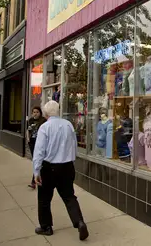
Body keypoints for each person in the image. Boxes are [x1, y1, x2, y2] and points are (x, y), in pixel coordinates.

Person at [32, 101, 89, 240]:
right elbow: (74, 145)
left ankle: (46, 227)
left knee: (44, 198)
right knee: (69, 196)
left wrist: (36, 171)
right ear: (58, 111)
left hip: (49, 167)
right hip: (67, 165)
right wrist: (71, 160)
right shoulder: (68, 124)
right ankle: (79, 222)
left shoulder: (44, 127)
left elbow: (39, 151)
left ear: (45, 114)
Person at [26, 106, 47, 189]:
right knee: (36, 160)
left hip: (40, 143)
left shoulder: (43, 120)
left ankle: (34, 181)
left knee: (37, 161)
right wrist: (28, 138)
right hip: (32, 142)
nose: (35, 113)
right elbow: (28, 130)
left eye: (37, 112)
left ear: (40, 113)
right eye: (34, 112)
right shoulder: (30, 120)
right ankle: (35, 180)